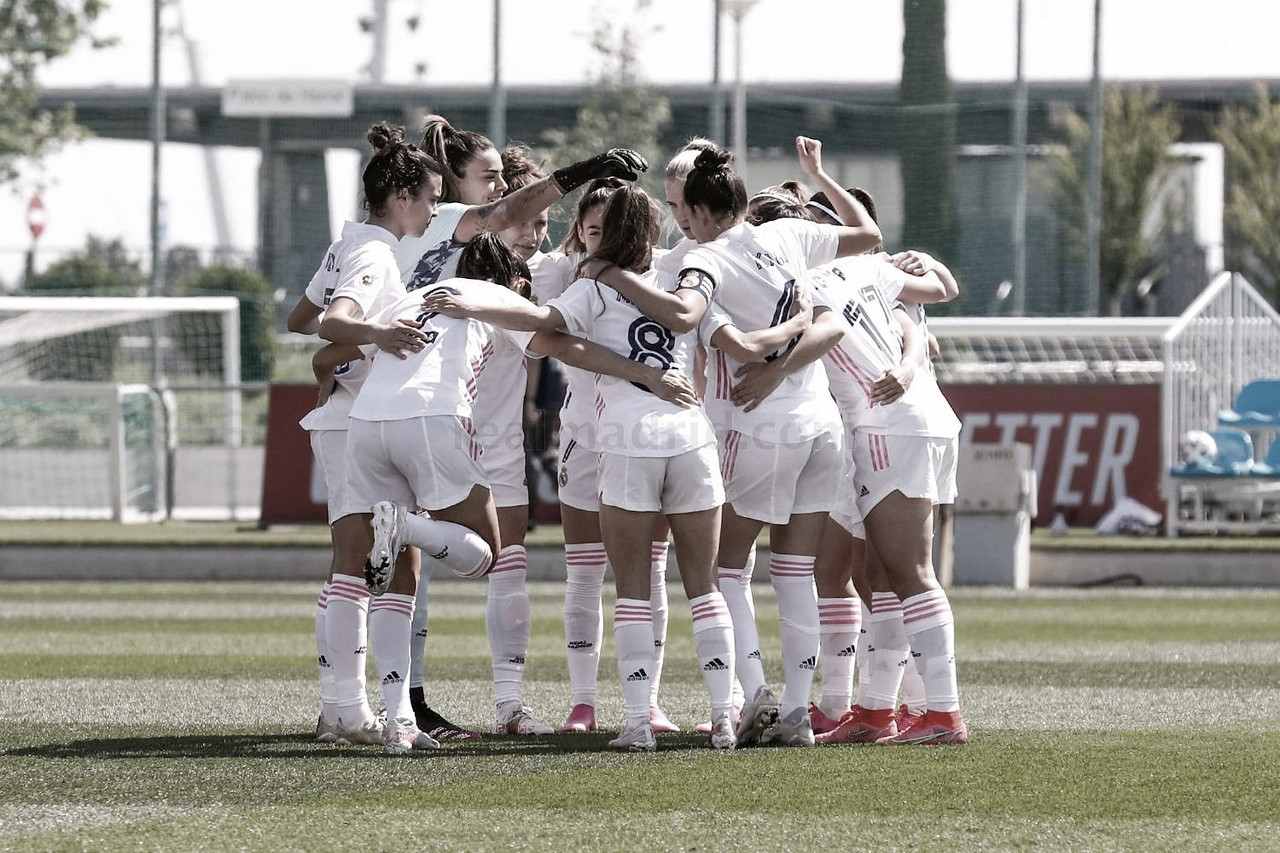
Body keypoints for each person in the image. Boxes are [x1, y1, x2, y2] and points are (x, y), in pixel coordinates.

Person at [586, 139, 882, 747]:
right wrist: (820, 177)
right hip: (821, 421)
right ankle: (797, 716)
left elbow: (708, 330)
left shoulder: (701, 263)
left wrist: (609, 270)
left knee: (725, 570)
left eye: (680, 207)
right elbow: (869, 234)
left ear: (698, 209)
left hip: (758, 426)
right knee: (795, 571)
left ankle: (756, 696)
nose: (677, 220)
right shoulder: (787, 235)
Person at [424, 185, 740, 752]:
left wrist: (473, 301)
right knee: (704, 585)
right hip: (692, 437)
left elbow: (545, 331)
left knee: (634, 590)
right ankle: (722, 717)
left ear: (608, 233)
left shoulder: (593, 285)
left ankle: (640, 721)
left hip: (625, 439)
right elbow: (700, 322)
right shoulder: (689, 269)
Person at [390, 115, 648, 739]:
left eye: (541, 222)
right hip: (435, 427)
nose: (536, 231)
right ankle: (399, 699)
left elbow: (577, 292)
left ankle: (507, 704)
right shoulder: (448, 252)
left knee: (503, 567)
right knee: (416, 570)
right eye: (523, 214)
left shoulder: (549, 272)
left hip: (500, 442)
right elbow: (546, 333)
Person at [286, 121, 446, 753]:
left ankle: (343, 711)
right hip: (358, 422)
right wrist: (379, 337)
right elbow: (331, 321)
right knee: (388, 564)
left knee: (352, 566)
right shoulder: (377, 253)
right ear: (402, 194)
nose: (435, 210)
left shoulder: (349, 243)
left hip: (342, 420)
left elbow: (300, 318)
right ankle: (359, 714)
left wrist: (351, 349)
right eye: (431, 196)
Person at [529, 178, 681, 735]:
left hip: (648, 439)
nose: (602, 240)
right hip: (583, 435)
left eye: (612, 230)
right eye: (593, 230)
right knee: (585, 572)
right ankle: (583, 702)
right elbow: (531, 315)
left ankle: (652, 700)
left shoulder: (665, 271)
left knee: (650, 572)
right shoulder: (561, 271)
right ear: (580, 232)